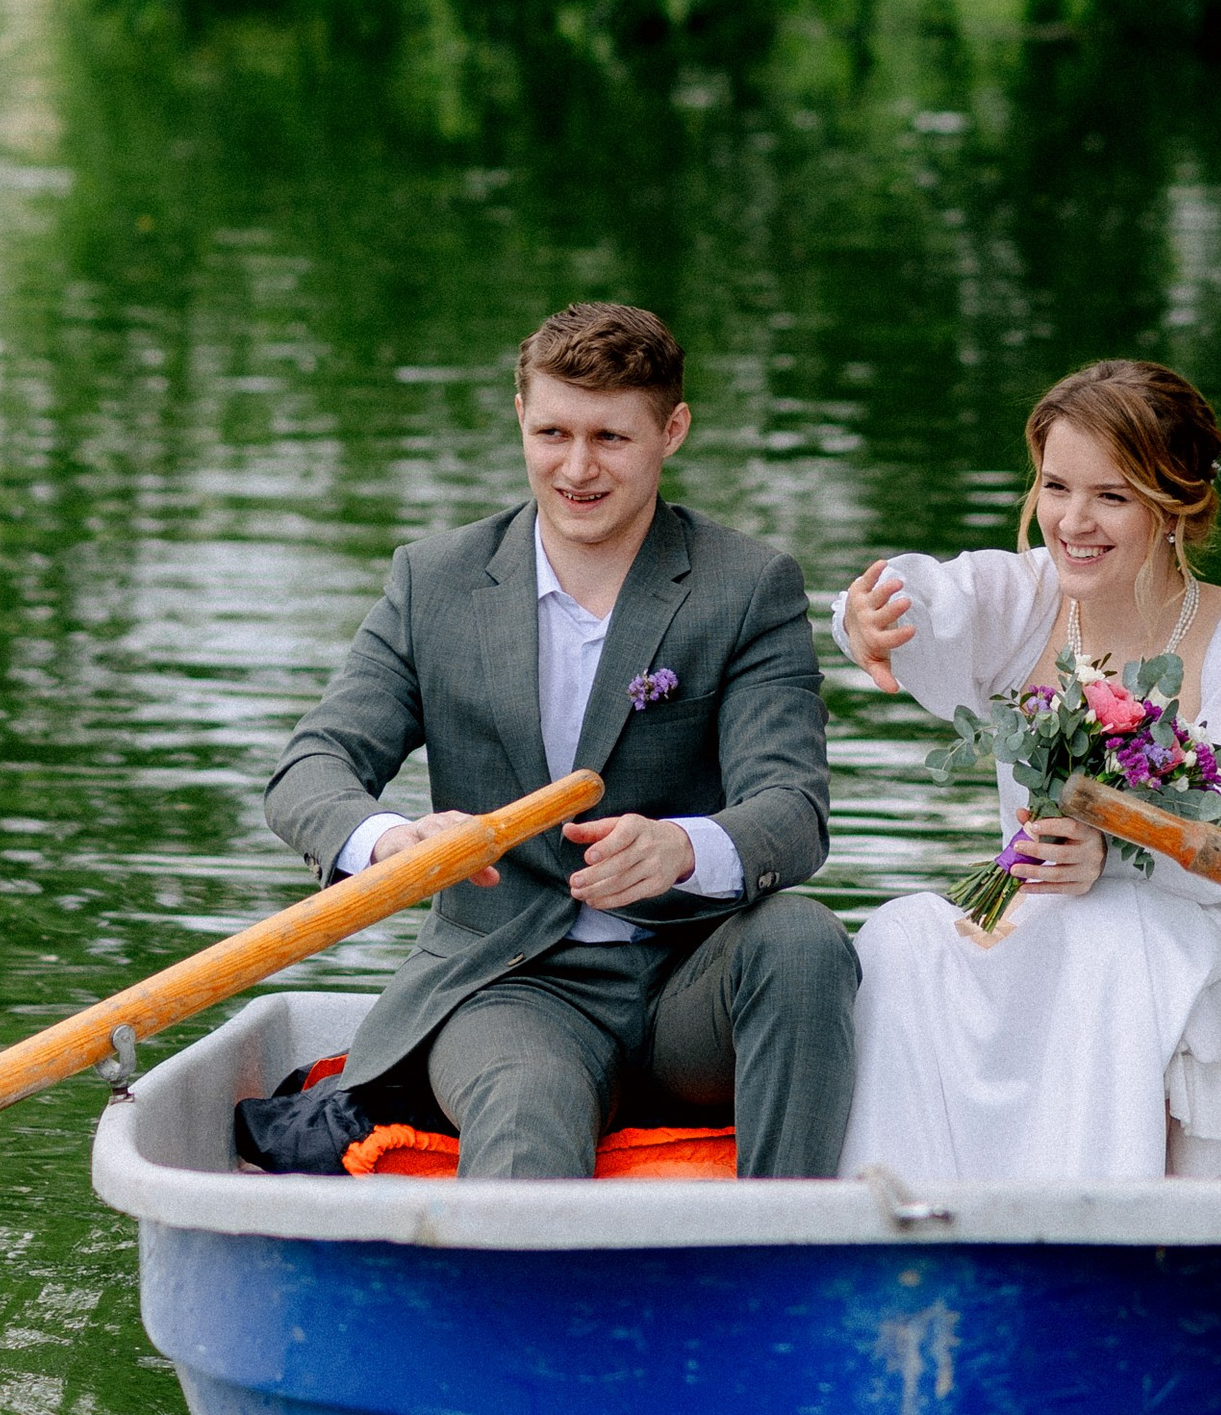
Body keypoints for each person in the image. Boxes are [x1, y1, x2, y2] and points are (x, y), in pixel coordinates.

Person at [266, 301, 858, 1179]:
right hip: (512, 984)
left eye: (611, 439)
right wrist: (396, 841)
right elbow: (310, 769)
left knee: (806, 940)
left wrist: (684, 849)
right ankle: (514, 1307)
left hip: (689, 983)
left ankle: (785, 1256)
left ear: (672, 430)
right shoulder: (435, 581)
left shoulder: (749, 585)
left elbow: (794, 809)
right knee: (527, 1103)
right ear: (520, 417)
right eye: (552, 431)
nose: (577, 468)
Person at [835, 357, 1221, 1185]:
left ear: (1176, 505)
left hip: (1203, 956)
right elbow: (921, 592)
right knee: (900, 939)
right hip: (1029, 932)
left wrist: (1116, 853)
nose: (1073, 521)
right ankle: (900, 1224)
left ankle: (1095, 1229)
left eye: (1112, 495)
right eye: (1056, 487)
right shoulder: (1024, 597)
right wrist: (869, 616)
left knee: (1107, 935)